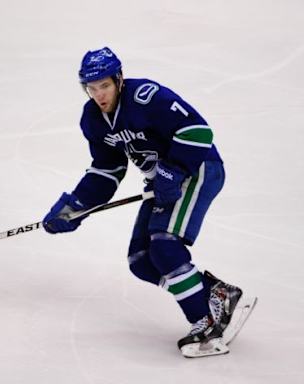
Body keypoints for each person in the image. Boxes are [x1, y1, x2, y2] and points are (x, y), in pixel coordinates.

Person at [42, 47, 244, 357]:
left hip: (198, 170)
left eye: (104, 85)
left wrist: (173, 170)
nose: (98, 94)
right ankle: (215, 295)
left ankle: (205, 325)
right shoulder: (93, 119)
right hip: (164, 182)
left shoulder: (145, 97)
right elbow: (107, 171)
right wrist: (75, 206)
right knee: (142, 261)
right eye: (91, 88)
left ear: (119, 79)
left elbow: (198, 132)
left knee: (164, 244)